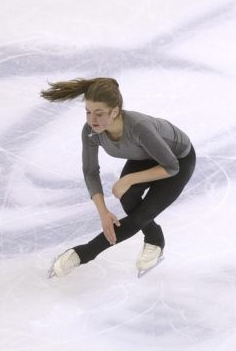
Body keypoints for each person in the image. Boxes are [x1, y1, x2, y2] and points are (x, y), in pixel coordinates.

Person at [40, 77, 196, 278]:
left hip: (177, 160)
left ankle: (83, 253)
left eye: (99, 113)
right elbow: (90, 171)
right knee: (128, 199)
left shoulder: (139, 127)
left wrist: (127, 180)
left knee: (139, 215)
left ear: (115, 111)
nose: (92, 119)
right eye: (88, 112)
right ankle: (155, 239)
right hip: (144, 157)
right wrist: (103, 212)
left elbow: (171, 167)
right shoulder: (90, 132)